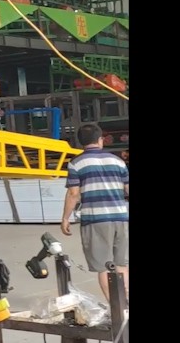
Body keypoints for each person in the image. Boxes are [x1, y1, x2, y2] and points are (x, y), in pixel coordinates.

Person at [61, 123, 129, 304]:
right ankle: (126, 305)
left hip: (95, 220)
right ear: (100, 140)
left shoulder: (76, 163)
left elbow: (73, 194)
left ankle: (116, 308)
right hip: (121, 218)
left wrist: (65, 218)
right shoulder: (118, 161)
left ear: (80, 142)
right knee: (121, 264)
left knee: (104, 267)